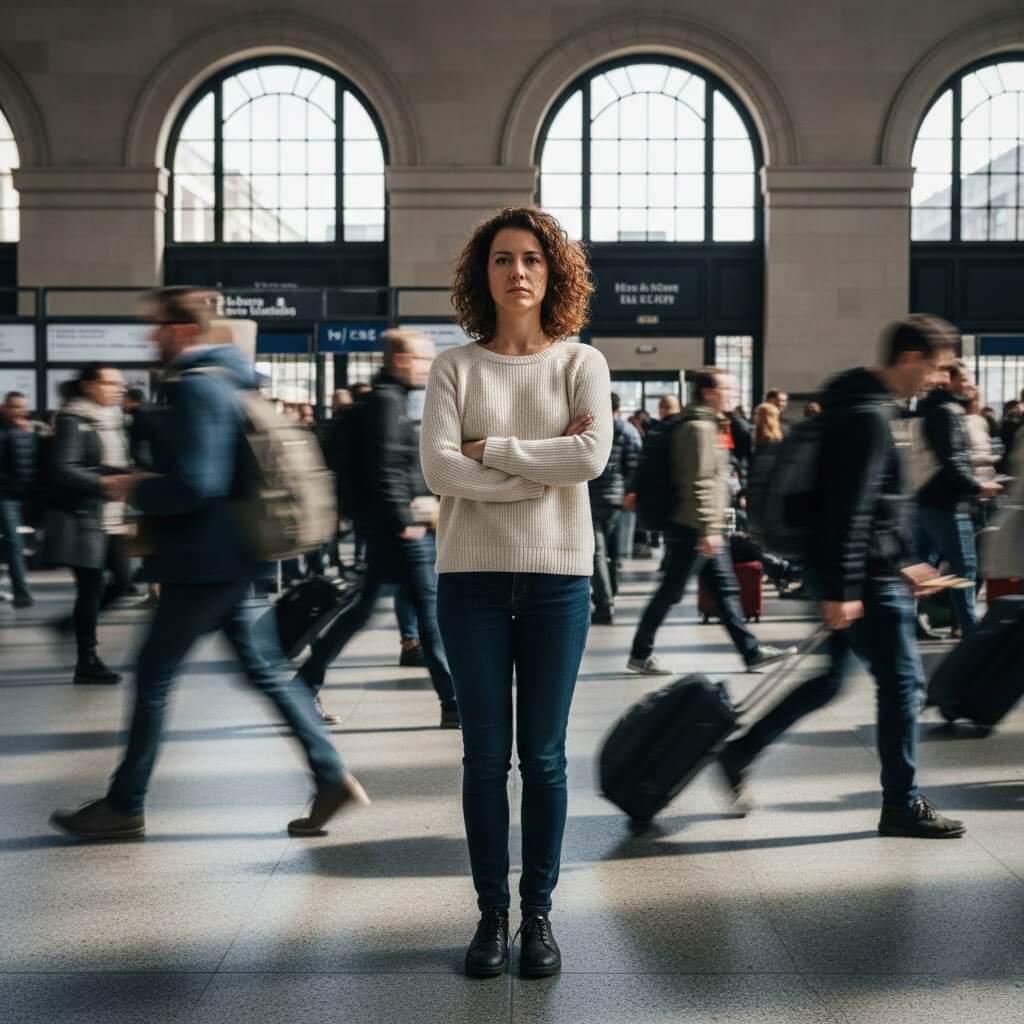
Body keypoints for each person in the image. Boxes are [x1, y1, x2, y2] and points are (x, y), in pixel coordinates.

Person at [50, 286, 367, 841]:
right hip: (229, 557)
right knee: (265, 671)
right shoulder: (224, 383)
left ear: (184, 331)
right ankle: (330, 775)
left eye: (158, 326)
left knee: (152, 677)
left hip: (203, 562)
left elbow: (199, 482)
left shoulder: (197, 389)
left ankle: (125, 804)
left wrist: (133, 485)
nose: (151, 336)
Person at [420, 207, 612, 979]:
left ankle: (538, 916)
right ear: (484, 274)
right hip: (467, 579)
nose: (518, 271)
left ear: (553, 272)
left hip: (557, 580)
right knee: (482, 757)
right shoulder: (453, 368)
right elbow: (439, 472)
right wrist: (539, 467)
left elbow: (590, 458)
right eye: (503, 259)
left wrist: (493, 452)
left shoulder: (582, 364)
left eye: (532, 258)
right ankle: (489, 916)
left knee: (544, 758)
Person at [720, 315, 968, 839]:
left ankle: (740, 751)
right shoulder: (868, 418)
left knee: (832, 681)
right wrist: (843, 590)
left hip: (864, 570)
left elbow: (868, 507)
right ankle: (901, 803)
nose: (937, 380)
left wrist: (902, 560)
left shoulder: (856, 406)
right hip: (861, 579)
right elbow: (849, 511)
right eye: (936, 368)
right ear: (909, 358)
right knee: (903, 684)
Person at [298, 329, 460, 729]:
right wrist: (404, 521)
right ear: (402, 361)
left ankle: (304, 682)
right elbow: (386, 466)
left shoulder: (389, 400)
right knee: (432, 611)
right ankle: (454, 704)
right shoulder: (388, 403)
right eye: (423, 360)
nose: (427, 367)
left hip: (386, 527)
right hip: (401, 531)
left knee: (364, 610)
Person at [627, 368, 795, 676]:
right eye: (726, 389)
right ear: (708, 393)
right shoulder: (699, 430)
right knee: (670, 593)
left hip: (705, 527)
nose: (731, 394)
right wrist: (707, 529)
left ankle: (751, 651)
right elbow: (699, 481)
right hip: (694, 528)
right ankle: (640, 653)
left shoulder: (707, 425)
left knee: (726, 591)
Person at [42, 365, 134, 685]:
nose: (117, 389)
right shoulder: (73, 419)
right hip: (83, 517)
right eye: (110, 382)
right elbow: (62, 468)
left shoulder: (113, 420)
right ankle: (87, 660)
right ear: (88, 385)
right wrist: (105, 483)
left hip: (109, 517)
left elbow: (112, 462)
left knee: (123, 581)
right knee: (91, 589)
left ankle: (69, 625)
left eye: (119, 384)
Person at [915, 359, 1001, 636]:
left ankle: (905, 621)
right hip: (949, 501)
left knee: (923, 565)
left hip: (926, 497)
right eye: (964, 379)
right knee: (965, 566)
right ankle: (970, 631)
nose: (970, 385)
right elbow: (953, 459)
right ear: (949, 381)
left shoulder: (929, 408)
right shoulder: (949, 411)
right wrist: (978, 486)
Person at [589, 391, 640, 625]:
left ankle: (604, 604)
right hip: (617, 500)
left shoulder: (592, 429)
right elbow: (634, 465)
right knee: (613, 553)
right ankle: (611, 593)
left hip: (591, 497)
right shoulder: (627, 431)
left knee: (597, 554)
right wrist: (629, 490)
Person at [0, 391, 39, 608]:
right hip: (6, 495)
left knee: (14, 544)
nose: (21, 411)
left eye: (22, 407)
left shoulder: (24, 430)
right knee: (14, 544)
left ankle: (21, 593)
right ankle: (21, 593)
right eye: (15, 406)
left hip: (12, 496)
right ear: (4, 407)